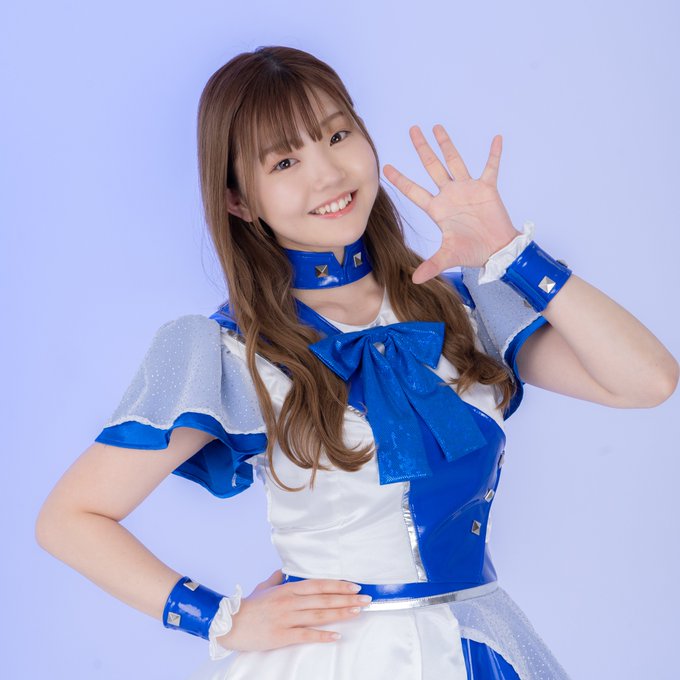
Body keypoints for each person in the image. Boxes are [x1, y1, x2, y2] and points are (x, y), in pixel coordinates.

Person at [35, 45, 679, 680]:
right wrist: (221, 620)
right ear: (239, 201)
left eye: (337, 135)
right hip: (331, 657)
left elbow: (648, 380)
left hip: (482, 643)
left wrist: (511, 252)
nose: (328, 174)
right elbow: (70, 519)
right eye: (285, 161)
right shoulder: (228, 349)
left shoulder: (464, 306)